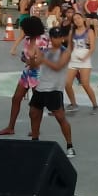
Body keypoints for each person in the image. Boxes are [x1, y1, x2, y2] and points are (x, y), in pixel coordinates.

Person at [28, 27, 77, 158]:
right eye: (54, 36)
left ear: (62, 38)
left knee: (60, 117)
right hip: (41, 87)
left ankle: (70, 145)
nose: (56, 39)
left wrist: (41, 58)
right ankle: (35, 140)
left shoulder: (65, 52)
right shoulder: (45, 51)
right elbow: (33, 66)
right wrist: (32, 58)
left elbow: (58, 67)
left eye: (59, 36)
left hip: (55, 89)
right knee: (33, 113)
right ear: (50, 38)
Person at [0, 16, 48, 136]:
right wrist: (26, 59)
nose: (22, 30)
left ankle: (35, 129)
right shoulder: (28, 39)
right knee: (16, 98)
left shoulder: (43, 40)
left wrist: (30, 61)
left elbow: (41, 60)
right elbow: (25, 57)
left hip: (39, 74)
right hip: (27, 72)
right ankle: (10, 127)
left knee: (36, 104)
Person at [65, 12, 98, 113]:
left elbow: (92, 47)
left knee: (85, 83)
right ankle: (73, 103)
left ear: (83, 19)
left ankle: (95, 104)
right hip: (73, 59)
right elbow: (69, 47)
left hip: (84, 59)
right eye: (75, 19)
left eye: (79, 18)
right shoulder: (72, 32)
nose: (77, 21)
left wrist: (85, 57)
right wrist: (66, 57)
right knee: (67, 84)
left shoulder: (89, 31)